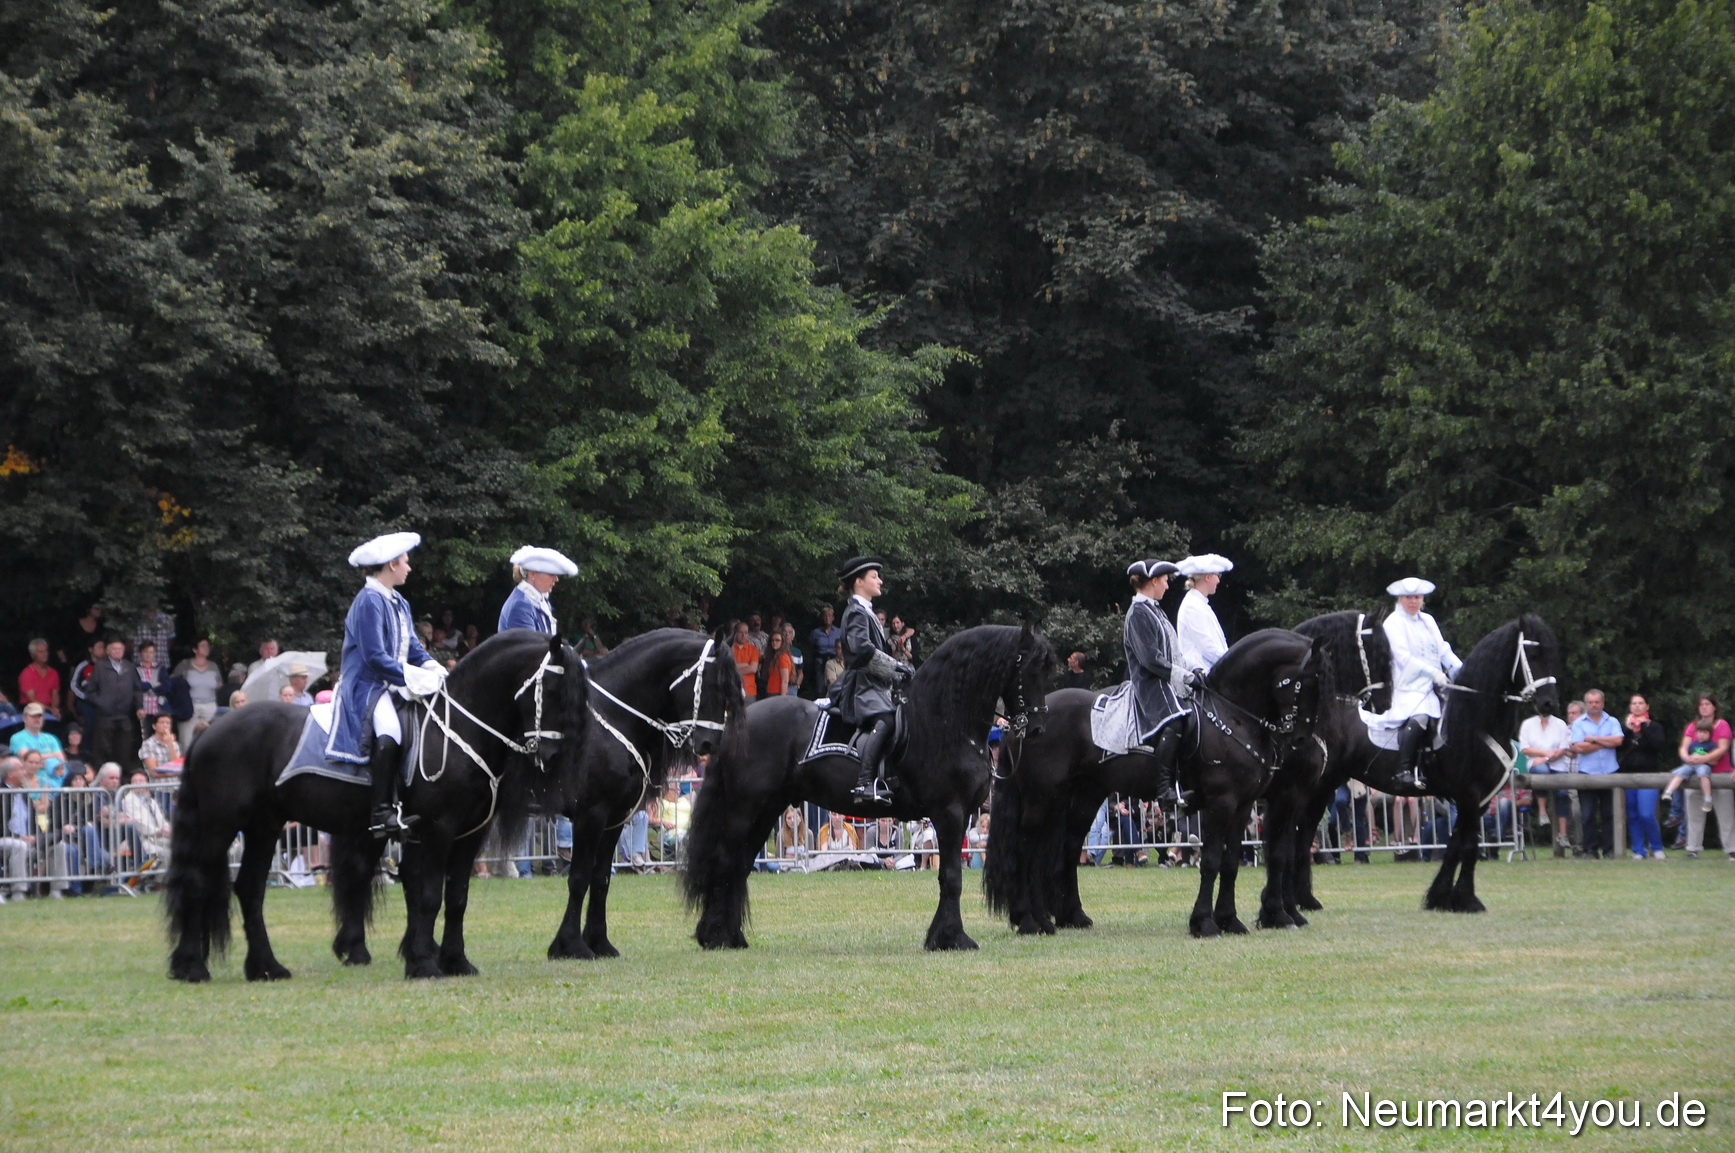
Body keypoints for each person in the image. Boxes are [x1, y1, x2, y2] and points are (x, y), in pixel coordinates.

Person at [328, 531, 445, 839]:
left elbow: (412, 649)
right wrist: (412, 677)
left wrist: (433, 667)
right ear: (392, 564)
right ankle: (381, 811)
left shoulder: (398, 602)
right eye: (405, 562)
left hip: (394, 683)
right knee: (391, 730)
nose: (409, 567)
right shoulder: (368, 601)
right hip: (368, 685)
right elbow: (375, 658)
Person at [831, 556, 913, 807]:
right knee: (887, 720)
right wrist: (896, 668)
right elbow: (862, 650)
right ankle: (864, 783)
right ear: (858, 581)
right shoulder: (855, 612)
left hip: (875, 685)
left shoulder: (865, 611)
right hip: (862, 687)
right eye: (874, 576)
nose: (880, 580)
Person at [1377, 577, 1463, 790]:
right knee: (1421, 715)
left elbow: (1442, 648)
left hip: (1436, 683)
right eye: (1408, 597)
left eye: (1417, 597)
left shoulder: (1428, 620)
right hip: (1407, 685)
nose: (1413, 601)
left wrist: (1461, 669)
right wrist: (1434, 673)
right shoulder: (1393, 622)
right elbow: (1403, 658)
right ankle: (1403, 770)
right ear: (1400, 598)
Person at [1124, 558, 1192, 809]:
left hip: (1167, 681)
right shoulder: (1138, 614)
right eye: (1164, 580)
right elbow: (1150, 659)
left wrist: (1189, 670)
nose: (1167, 585)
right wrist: (1180, 675)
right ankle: (1164, 788)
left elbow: (1172, 650)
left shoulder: (1155, 610)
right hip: (1150, 684)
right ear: (1153, 581)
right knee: (1174, 721)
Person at [1676, 694, 1734, 859]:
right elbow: (1684, 747)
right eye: (1701, 704)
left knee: (1726, 815)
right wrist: (1686, 757)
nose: (1704, 707)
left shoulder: (1722, 725)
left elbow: (1723, 748)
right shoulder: (1692, 726)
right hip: (1696, 775)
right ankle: (1692, 848)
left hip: (1719, 774)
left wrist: (1703, 759)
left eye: (1707, 704)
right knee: (1693, 814)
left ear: (1714, 707)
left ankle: (1731, 849)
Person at [1568, 689, 1623, 859]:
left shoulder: (1612, 721)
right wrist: (1605, 742)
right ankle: (1590, 850)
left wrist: (1593, 739)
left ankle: (1609, 850)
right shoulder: (1579, 723)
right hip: (1587, 775)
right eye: (1590, 702)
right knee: (1588, 815)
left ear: (1603, 703)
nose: (1594, 705)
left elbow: (1619, 740)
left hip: (1609, 772)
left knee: (1609, 814)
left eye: (1597, 702)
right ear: (1586, 704)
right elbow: (1577, 747)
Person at [1519, 704, 1576, 858]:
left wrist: (1544, 757)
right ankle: (1542, 811)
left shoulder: (1560, 724)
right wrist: (1544, 754)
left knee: (1563, 793)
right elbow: (1525, 749)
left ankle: (1563, 834)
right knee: (1542, 772)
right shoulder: (1528, 724)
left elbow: (1563, 748)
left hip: (1558, 764)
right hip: (1536, 765)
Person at [1618, 694, 1667, 860]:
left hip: (1649, 775)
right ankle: (1639, 850)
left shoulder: (1655, 726)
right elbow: (1619, 747)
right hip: (1628, 775)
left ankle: (1657, 847)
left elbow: (1657, 745)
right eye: (1634, 703)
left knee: (1646, 813)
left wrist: (1643, 727)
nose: (1637, 706)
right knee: (1632, 815)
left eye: (1641, 703)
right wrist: (1628, 729)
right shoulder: (1624, 727)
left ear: (1647, 706)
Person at [86, 638, 144, 769]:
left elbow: (137, 689)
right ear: (108, 651)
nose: (117, 651)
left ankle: (122, 779)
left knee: (124, 748)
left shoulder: (129, 667)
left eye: (120, 649)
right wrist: (101, 703)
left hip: (124, 715)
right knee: (103, 749)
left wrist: (139, 706)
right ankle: (102, 779)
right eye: (114, 649)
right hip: (105, 716)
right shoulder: (100, 666)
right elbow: (90, 691)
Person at [499, 546, 579, 634]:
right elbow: (529, 646)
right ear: (532, 574)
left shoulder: (540, 601)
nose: (556, 579)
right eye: (551, 574)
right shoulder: (521, 605)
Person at [1175, 554, 1233, 674]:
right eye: (1218, 575)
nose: (1218, 580)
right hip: (1202, 677)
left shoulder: (1200, 604)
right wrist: (1233, 662)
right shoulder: (1192, 606)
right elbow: (1208, 649)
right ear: (1208, 577)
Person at [171, 639, 223, 746]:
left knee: (210, 739)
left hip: (210, 705)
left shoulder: (213, 666)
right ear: (195, 649)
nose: (206, 648)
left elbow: (219, 683)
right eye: (203, 646)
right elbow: (173, 682)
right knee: (186, 740)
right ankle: (186, 761)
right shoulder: (184, 665)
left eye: (208, 646)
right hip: (190, 706)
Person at [1662, 717, 1718, 815]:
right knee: (1680, 773)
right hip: (1691, 765)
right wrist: (1689, 758)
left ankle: (1707, 799)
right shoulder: (1693, 745)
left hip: (1704, 765)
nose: (1701, 735)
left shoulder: (1712, 745)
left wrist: (1704, 757)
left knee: (1703, 775)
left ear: (1710, 734)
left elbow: (1714, 761)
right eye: (1699, 732)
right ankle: (1668, 791)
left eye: (1704, 732)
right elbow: (1687, 756)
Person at [120, 769, 173, 868]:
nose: (137, 783)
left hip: (160, 837)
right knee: (165, 854)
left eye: (141, 781)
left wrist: (167, 829)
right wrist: (158, 831)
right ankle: (158, 882)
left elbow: (162, 819)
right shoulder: (128, 800)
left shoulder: (151, 801)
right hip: (143, 839)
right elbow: (138, 823)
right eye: (134, 781)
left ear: (147, 783)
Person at [8, 703, 65, 778]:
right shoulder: (16, 738)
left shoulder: (51, 738)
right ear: (25, 718)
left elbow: (61, 760)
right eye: (33, 716)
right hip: (29, 781)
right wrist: (52, 756)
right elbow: (28, 759)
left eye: (40, 716)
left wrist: (36, 762)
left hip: (53, 782)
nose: (37, 719)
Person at [18, 638, 62, 717]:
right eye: (40, 652)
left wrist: (54, 709)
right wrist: (49, 710)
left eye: (46, 651)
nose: (44, 654)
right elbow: (31, 699)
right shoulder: (27, 673)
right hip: (31, 709)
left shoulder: (53, 672)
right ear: (33, 654)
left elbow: (55, 694)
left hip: (49, 709)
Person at [807, 606, 840, 698]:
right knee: (820, 688)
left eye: (830, 616)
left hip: (834, 661)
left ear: (833, 618)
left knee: (833, 685)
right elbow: (811, 648)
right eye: (825, 616)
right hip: (820, 661)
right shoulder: (815, 633)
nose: (827, 618)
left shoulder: (838, 632)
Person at [759, 628, 795, 699]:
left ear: (782, 642)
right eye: (772, 640)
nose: (774, 642)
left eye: (777, 640)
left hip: (777, 693)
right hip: (772, 691)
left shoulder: (782, 657)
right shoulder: (775, 657)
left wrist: (782, 698)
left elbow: (785, 680)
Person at [730, 621, 761, 703]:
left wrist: (734, 668)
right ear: (735, 633)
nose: (743, 635)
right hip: (731, 690)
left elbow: (753, 669)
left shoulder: (753, 649)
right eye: (740, 632)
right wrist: (746, 665)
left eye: (746, 633)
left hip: (749, 691)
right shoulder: (729, 649)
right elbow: (726, 667)